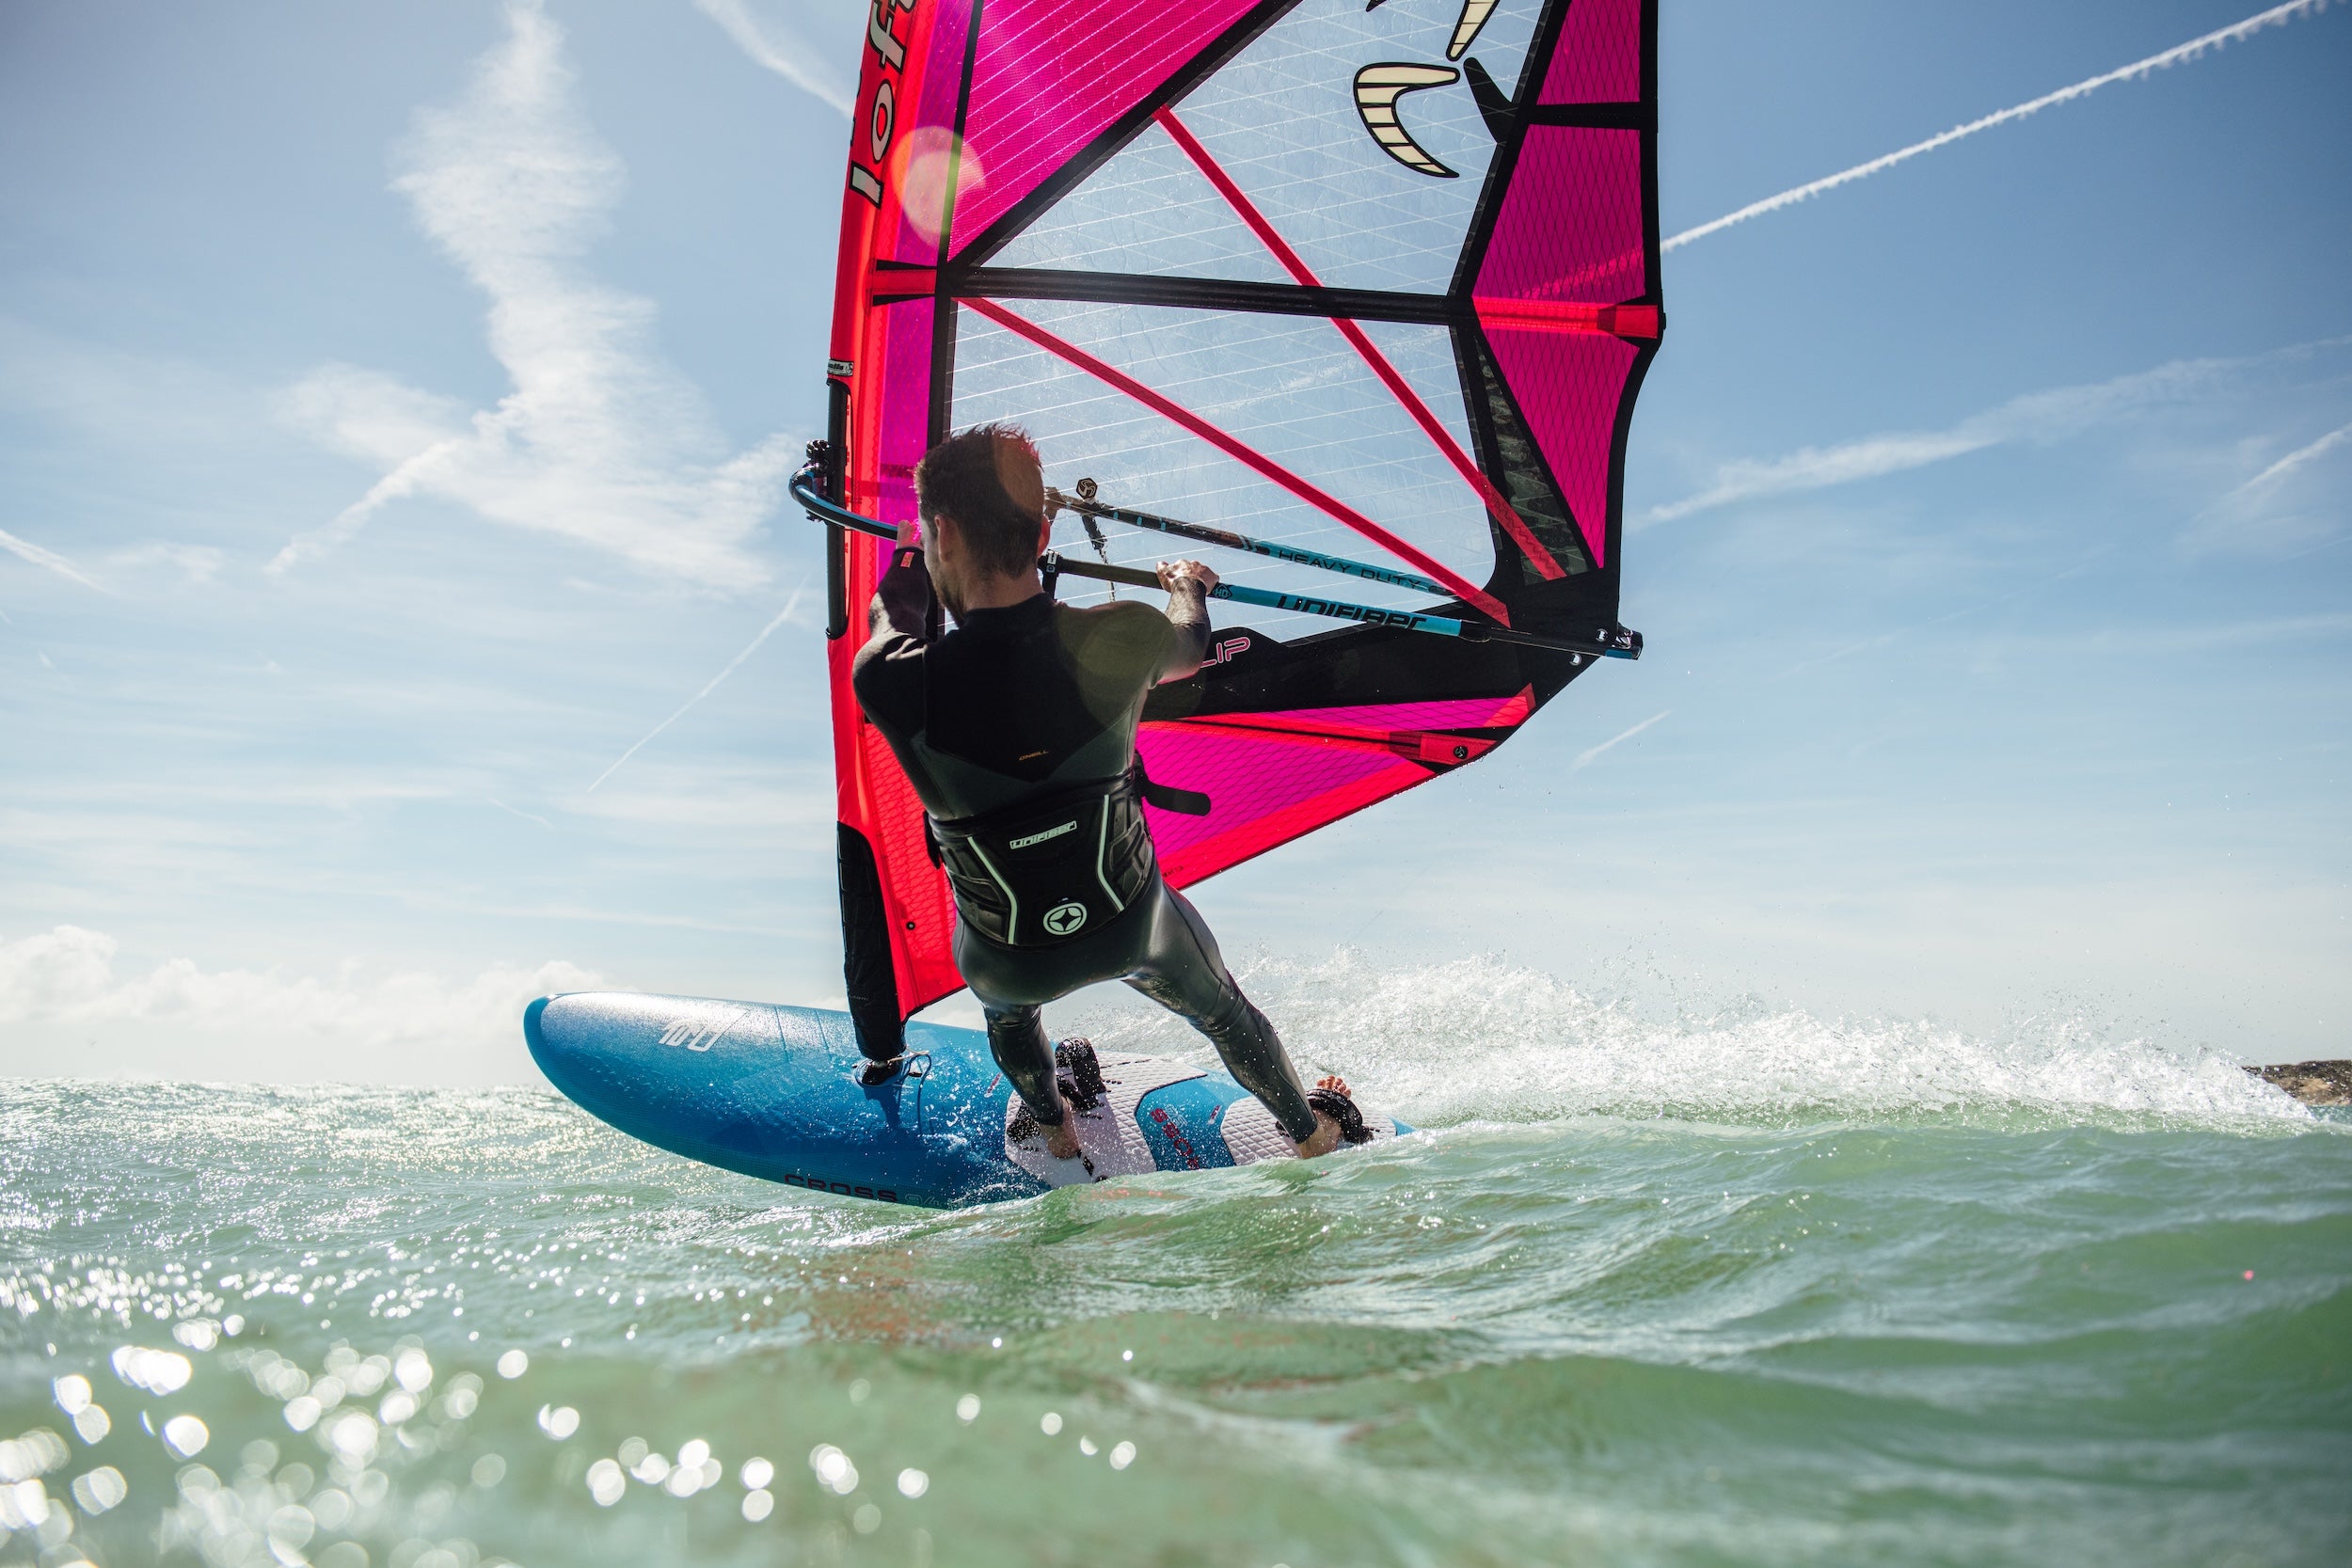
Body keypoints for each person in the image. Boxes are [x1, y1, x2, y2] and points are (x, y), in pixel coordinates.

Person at [850, 422, 1344, 1162]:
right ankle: (1311, 1134)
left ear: (944, 531)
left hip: (1010, 954)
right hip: (1132, 924)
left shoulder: (888, 676)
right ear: (1045, 530)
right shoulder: (1127, 636)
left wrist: (909, 552)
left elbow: (896, 611)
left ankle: (1054, 1126)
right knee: (1222, 1009)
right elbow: (1191, 643)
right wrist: (1187, 587)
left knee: (1009, 1014)